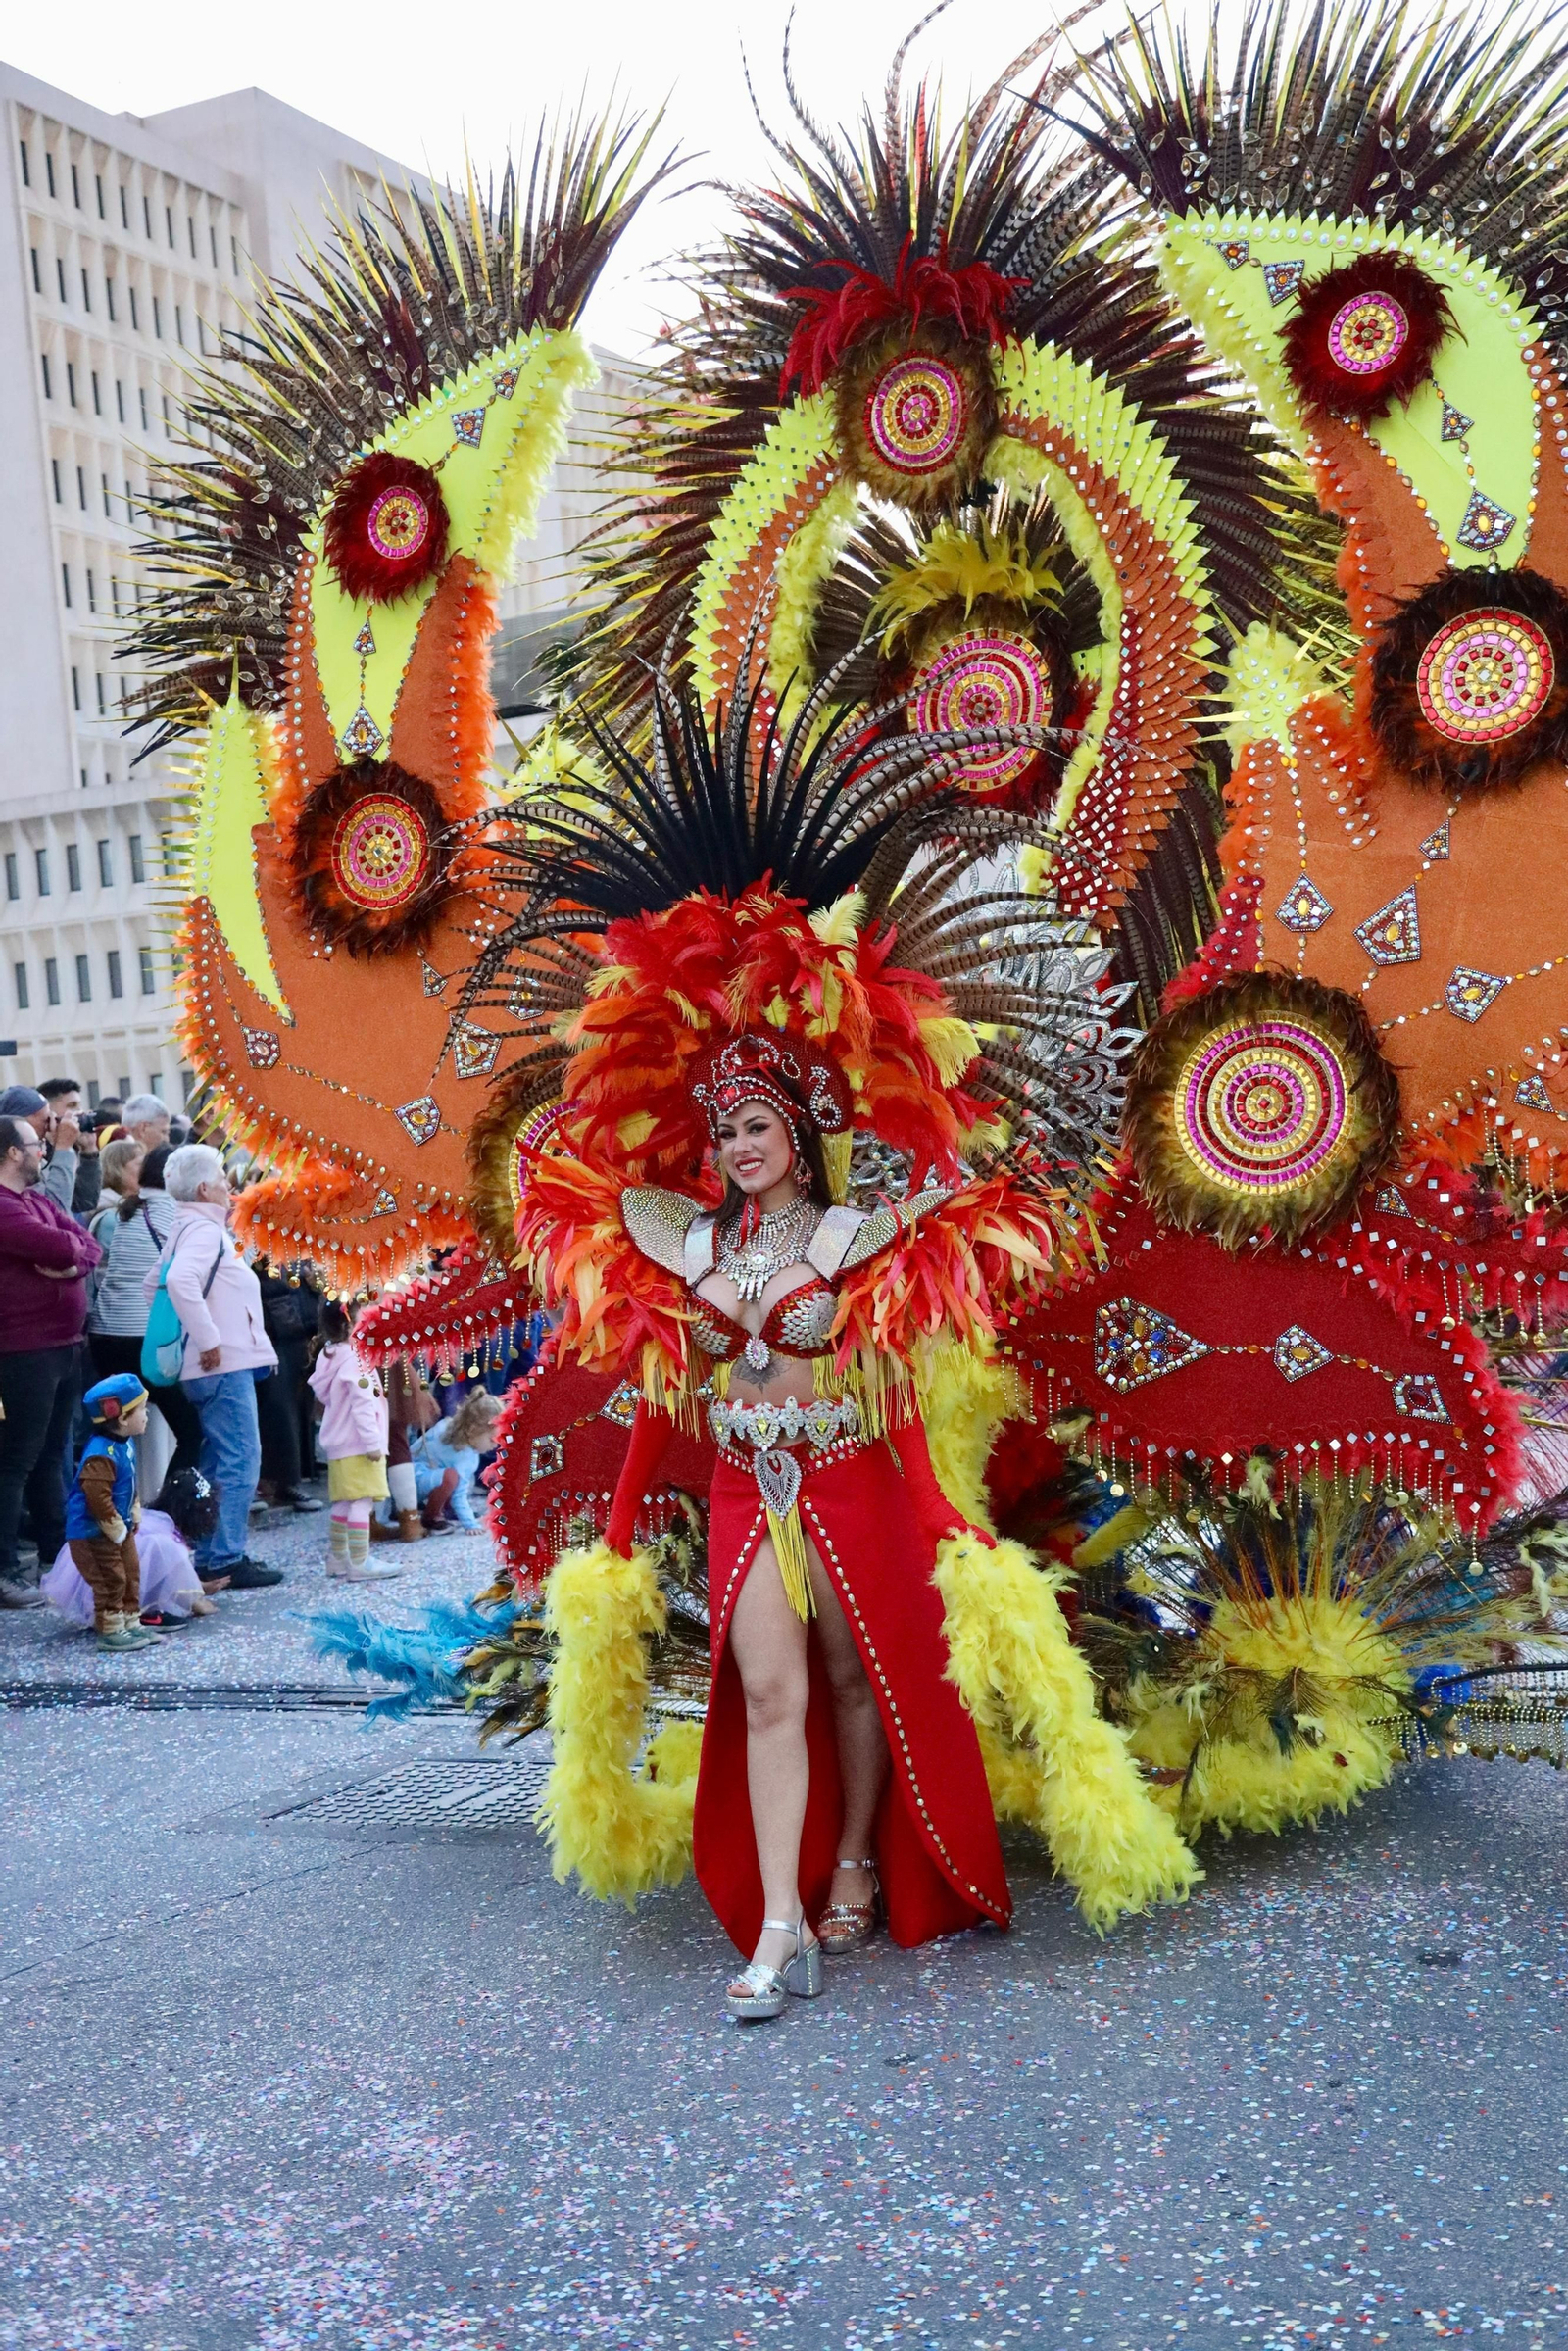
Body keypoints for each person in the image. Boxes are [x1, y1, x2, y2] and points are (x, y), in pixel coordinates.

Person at [148, 1144, 282, 1591]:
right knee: (241, 1458)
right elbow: (178, 1281)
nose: (230, 1183)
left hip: (209, 1367)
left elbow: (155, 1284)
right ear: (205, 1188)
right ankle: (223, 1557)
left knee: (217, 1460)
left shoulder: (186, 1226)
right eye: (223, 1177)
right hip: (221, 1365)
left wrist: (190, 1339)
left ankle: (209, 1554)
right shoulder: (203, 1231)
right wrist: (208, 1340)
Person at [0, 1113, 100, 1608]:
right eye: (35, 1144)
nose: (43, 1149)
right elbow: (62, 1242)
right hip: (25, 1350)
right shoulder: (3, 1207)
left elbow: (87, 1245)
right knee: (17, 1458)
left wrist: (73, 1259)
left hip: (64, 1345)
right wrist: (72, 1254)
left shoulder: (35, 1199)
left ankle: (55, 1553)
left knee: (50, 1454)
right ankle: (3, 1572)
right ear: (13, 1153)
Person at [87, 1138, 204, 1482]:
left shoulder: (128, 1209)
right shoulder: (173, 1213)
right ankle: (169, 1512)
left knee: (113, 1433)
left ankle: (105, 1503)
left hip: (106, 1337)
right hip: (142, 1338)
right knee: (192, 1431)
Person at [42, 1464, 220, 1631]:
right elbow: (166, 1566)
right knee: (160, 1549)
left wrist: (199, 1585)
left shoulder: (152, 1519)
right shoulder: (164, 1537)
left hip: (90, 1576)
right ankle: (142, 1613)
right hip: (111, 1584)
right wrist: (195, 1600)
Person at [62, 1372, 158, 1652]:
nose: (146, 1416)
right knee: (110, 1578)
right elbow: (96, 1496)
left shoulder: (122, 1444)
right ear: (123, 1418)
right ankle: (111, 1629)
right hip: (93, 1532)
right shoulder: (100, 1454)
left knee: (130, 1571)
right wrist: (114, 1525)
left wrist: (134, 1510)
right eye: (141, 1410)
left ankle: (130, 1621)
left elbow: (129, 1483)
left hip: (119, 1525)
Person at [308, 1300, 400, 1581]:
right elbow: (363, 1403)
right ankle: (360, 1561)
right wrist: (373, 1442)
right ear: (349, 1326)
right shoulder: (356, 1360)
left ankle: (338, 1558)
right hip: (361, 1444)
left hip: (338, 1443)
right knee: (363, 1501)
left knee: (343, 1502)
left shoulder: (331, 1355)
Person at [255, 1263, 324, 1511]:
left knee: (297, 1407)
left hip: (301, 1327)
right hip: (277, 1329)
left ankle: (289, 1480)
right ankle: (273, 1482)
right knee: (278, 1406)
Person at [406, 1388, 503, 1532]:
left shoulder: (450, 1426)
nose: (495, 1446)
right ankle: (432, 1517)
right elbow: (459, 1495)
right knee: (451, 1477)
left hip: (406, 1478)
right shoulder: (463, 1454)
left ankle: (436, 1510)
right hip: (412, 1483)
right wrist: (471, 1524)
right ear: (472, 1430)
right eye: (492, 1439)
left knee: (452, 1477)